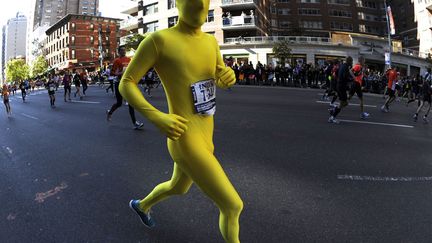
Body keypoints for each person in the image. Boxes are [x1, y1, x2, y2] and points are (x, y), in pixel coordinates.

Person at [119, 1, 243, 242]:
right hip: (183, 135)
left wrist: (228, 76)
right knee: (232, 205)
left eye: (204, 7)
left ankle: (141, 205)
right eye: (194, 6)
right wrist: (157, 116)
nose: (200, 12)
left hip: (207, 132)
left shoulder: (210, 42)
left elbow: (219, 76)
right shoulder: (159, 40)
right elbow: (127, 82)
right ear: (178, 4)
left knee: (179, 186)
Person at [106, 45, 144, 130]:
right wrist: (119, 74)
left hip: (127, 83)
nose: (124, 52)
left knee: (131, 103)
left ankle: (135, 123)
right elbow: (112, 73)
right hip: (119, 83)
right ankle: (110, 112)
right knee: (119, 103)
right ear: (118, 52)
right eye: (122, 50)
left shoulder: (129, 60)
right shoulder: (117, 61)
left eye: (124, 50)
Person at [328, 56, 354, 123]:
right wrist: (352, 79)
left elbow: (336, 73)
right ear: (349, 61)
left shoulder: (342, 66)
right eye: (351, 61)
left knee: (344, 103)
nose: (352, 63)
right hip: (341, 87)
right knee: (344, 103)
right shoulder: (345, 67)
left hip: (339, 85)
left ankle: (333, 111)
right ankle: (332, 117)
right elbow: (345, 77)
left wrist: (337, 80)